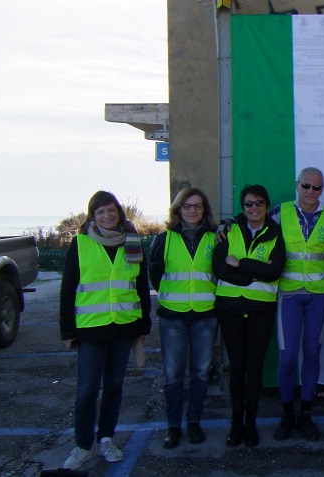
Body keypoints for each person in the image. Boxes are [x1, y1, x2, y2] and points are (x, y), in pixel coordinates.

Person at [59, 191, 152, 470]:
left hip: (123, 328)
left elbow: (141, 287)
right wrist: (67, 331)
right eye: (100, 212)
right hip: (91, 331)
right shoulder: (81, 244)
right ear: (93, 216)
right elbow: (68, 289)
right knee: (87, 389)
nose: (107, 216)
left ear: (119, 213)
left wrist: (144, 324)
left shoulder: (132, 242)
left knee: (114, 386)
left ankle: (106, 438)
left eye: (111, 211)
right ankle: (83, 445)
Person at [212, 185, 285, 448]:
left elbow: (274, 271)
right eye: (248, 204)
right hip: (230, 308)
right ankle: (236, 423)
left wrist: (240, 263)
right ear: (242, 207)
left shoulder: (276, 233)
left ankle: (251, 423)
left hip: (261, 311)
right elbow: (219, 268)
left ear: (267, 205)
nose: (254, 208)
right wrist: (253, 274)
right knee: (237, 367)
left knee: (254, 368)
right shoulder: (228, 231)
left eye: (259, 203)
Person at [269, 167, 324, 441]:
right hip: (289, 295)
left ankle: (306, 413)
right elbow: (251, 224)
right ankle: (287, 413)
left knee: (311, 353)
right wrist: (226, 226)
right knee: (287, 357)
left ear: (323, 189)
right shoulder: (279, 212)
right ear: (297, 185)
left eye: (317, 188)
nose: (311, 192)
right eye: (306, 186)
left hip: (320, 295)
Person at [148, 187, 218, 449]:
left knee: (200, 374)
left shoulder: (215, 238)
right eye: (187, 206)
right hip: (173, 318)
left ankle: (194, 422)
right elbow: (154, 274)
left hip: (205, 316)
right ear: (178, 210)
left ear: (204, 210)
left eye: (198, 206)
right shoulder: (163, 239)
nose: (192, 211)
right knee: (173, 375)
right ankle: (173, 426)